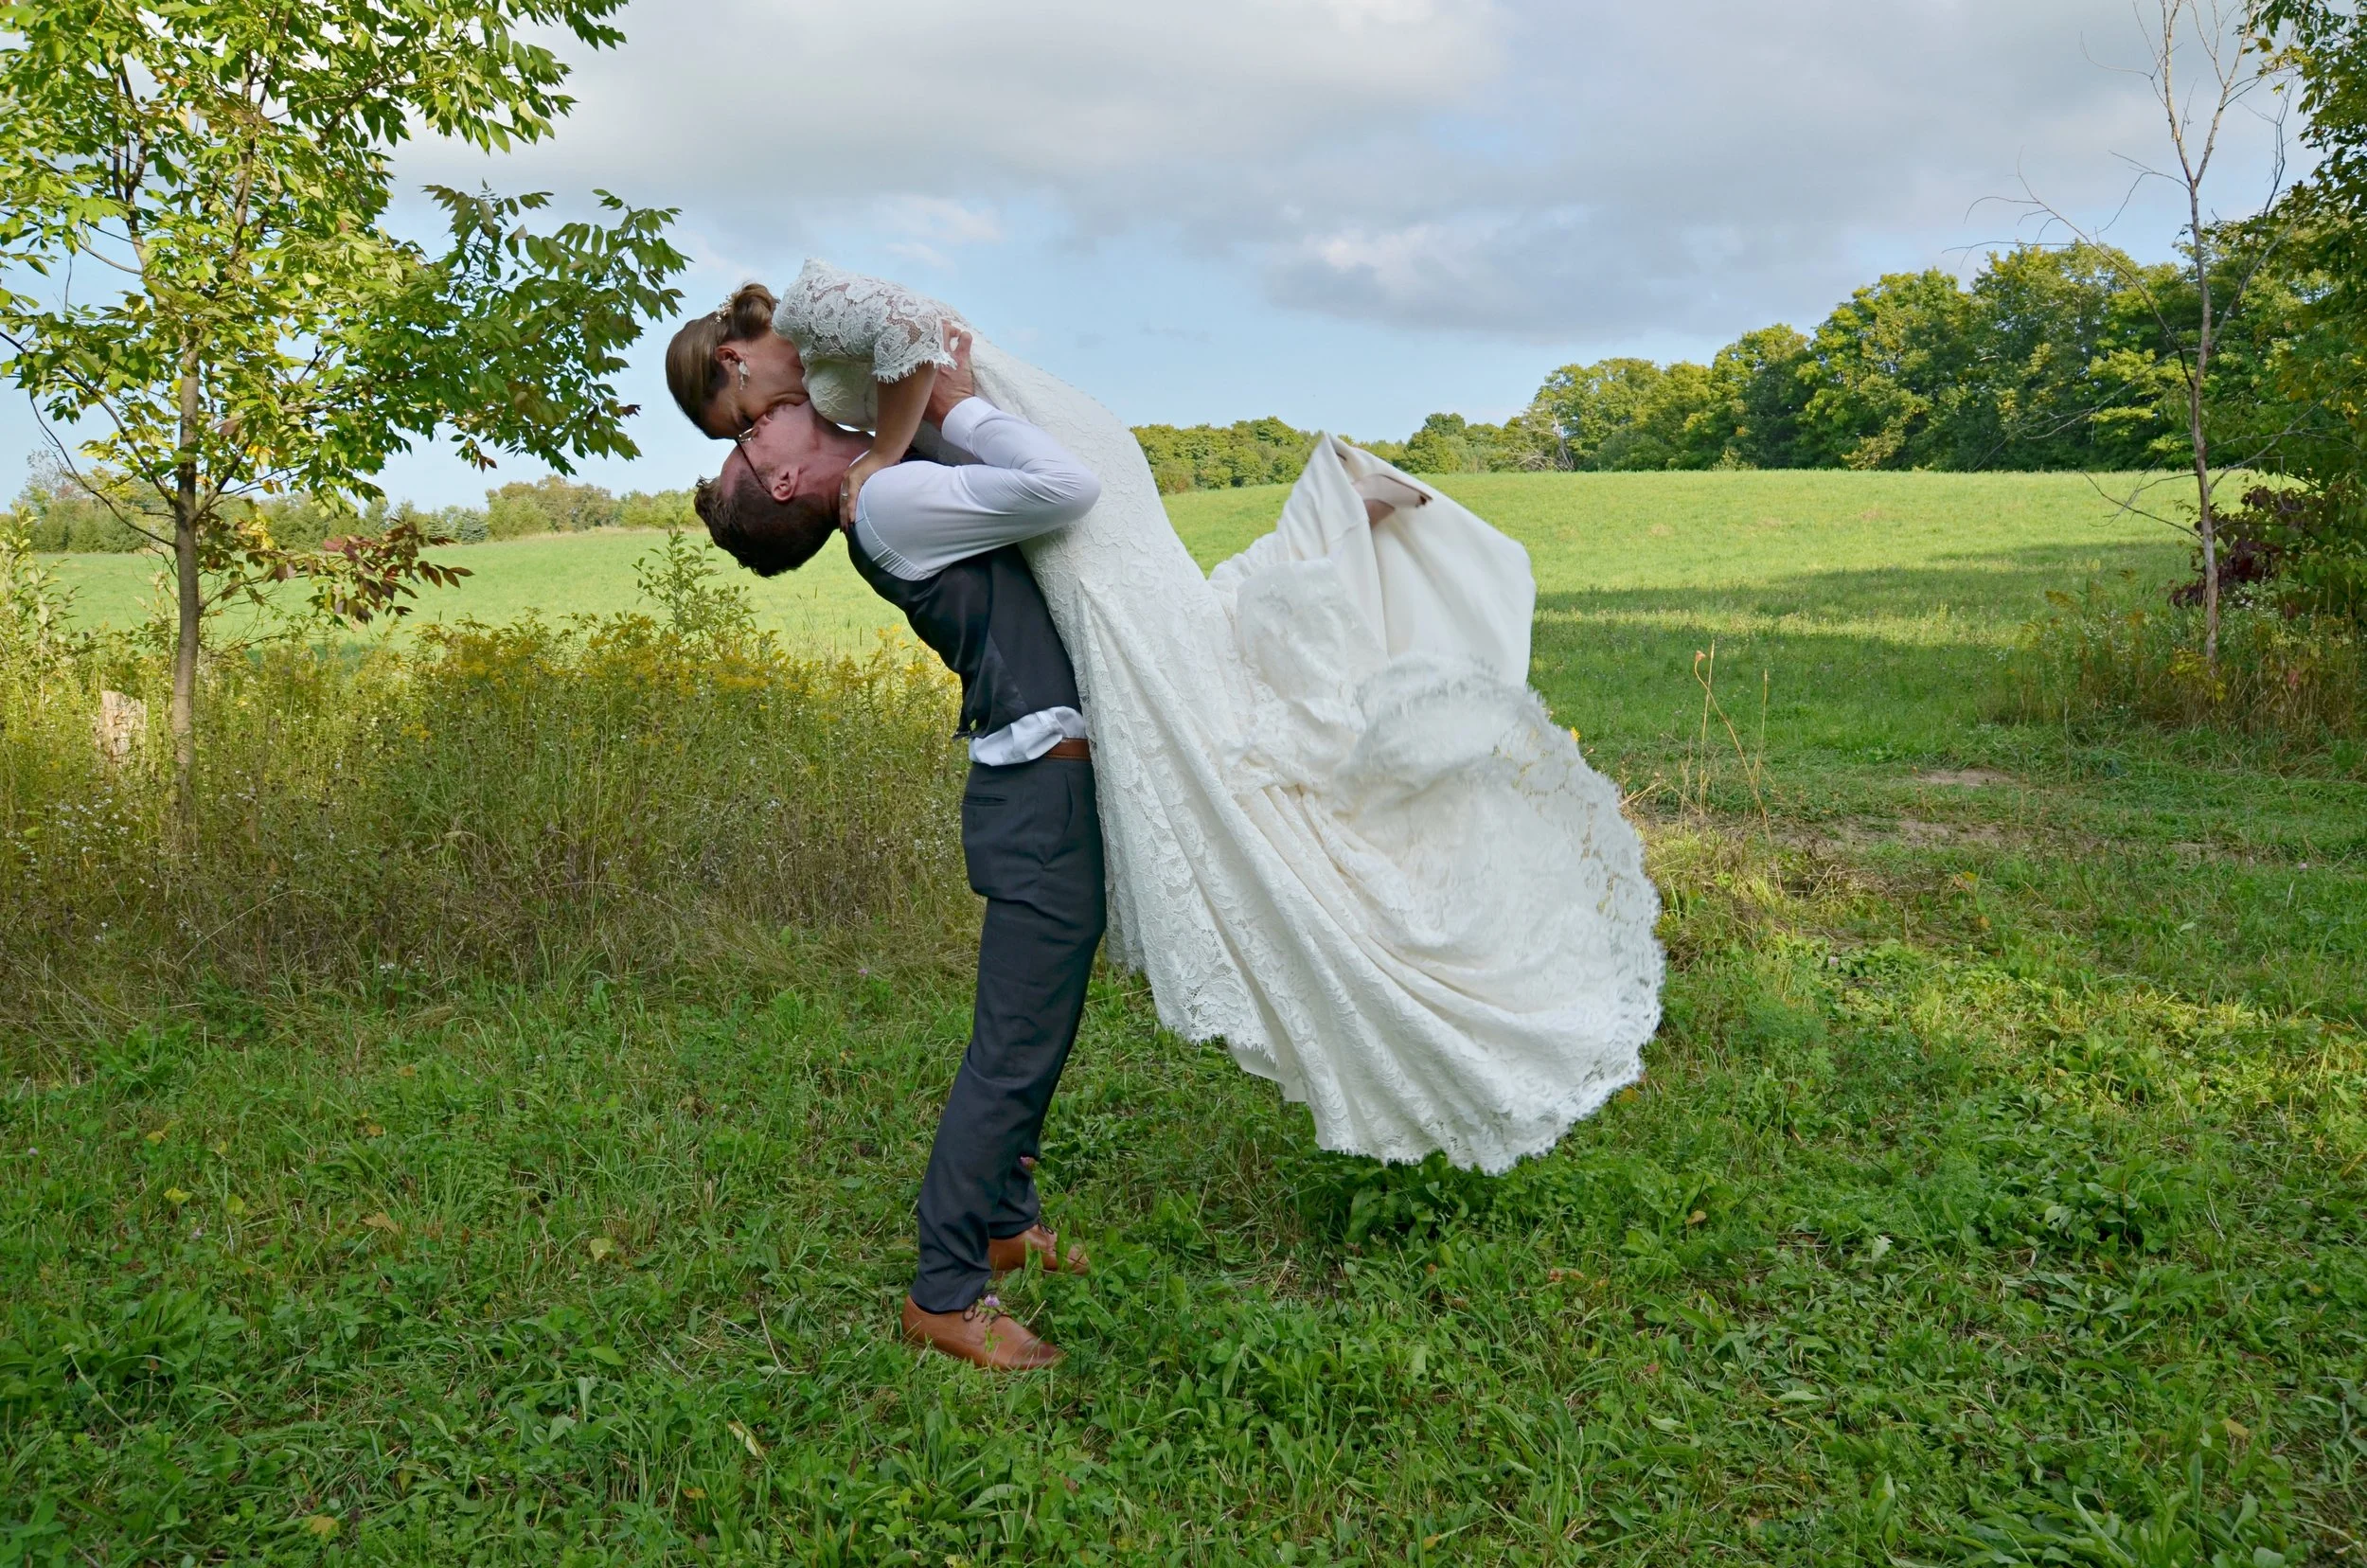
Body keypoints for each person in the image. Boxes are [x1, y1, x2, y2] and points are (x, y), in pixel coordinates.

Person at [673, 262, 1663, 1204]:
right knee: (1202, 690)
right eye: (753, 437)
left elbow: (927, 358)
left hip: (1050, 558)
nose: (768, 423)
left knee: (1200, 717)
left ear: (732, 358)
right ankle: (958, 1268)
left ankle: (991, 1230)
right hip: (1044, 676)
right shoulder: (874, 483)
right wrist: (931, 424)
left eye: (746, 424)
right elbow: (984, 438)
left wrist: (933, 419)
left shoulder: (842, 382)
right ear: (790, 485)